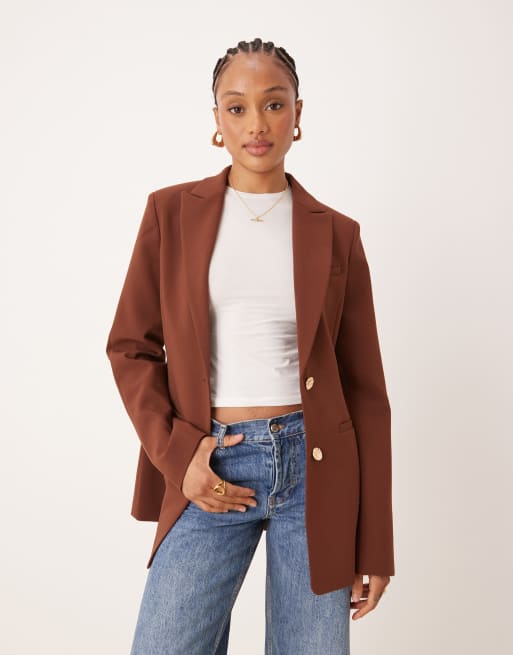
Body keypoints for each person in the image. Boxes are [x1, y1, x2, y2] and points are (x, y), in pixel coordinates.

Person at [106, 37, 394, 655]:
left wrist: (375, 542)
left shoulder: (337, 234)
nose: (256, 124)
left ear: (298, 114)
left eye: (274, 104)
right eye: (236, 107)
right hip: (212, 464)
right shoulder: (170, 213)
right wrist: (178, 455)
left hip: (315, 470)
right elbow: (131, 347)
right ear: (217, 119)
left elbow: (366, 393)